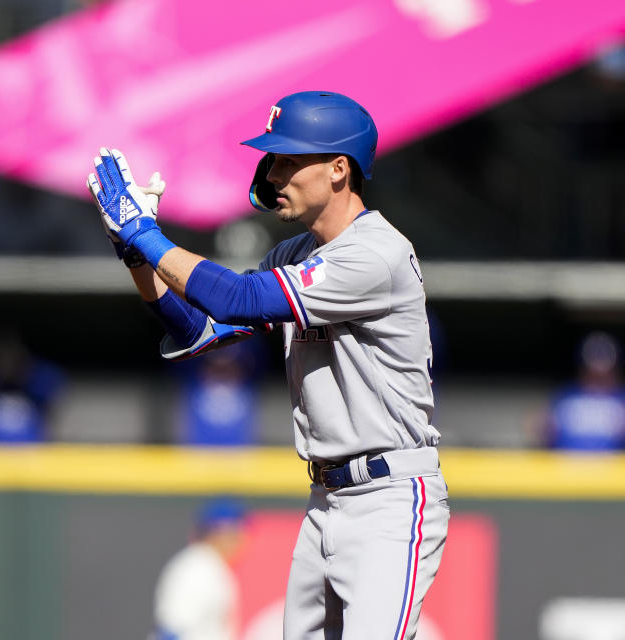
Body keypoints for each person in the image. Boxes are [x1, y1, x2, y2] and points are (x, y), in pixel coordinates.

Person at [88, 91, 449, 639]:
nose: (272, 172)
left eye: (287, 159)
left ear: (337, 169)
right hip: (326, 498)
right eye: (272, 159)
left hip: (390, 498)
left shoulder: (375, 253)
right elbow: (201, 329)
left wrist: (147, 233)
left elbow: (236, 297)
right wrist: (139, 256)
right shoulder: (295, 254)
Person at [152, 498, 246, 640]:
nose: (242, 538)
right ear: (219, 533)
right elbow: (170, 630)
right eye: (236, 531)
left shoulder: (212, 566)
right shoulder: (196, 568)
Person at [539, 331, 625, 450]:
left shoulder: (621, 398)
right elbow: (545, 429)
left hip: (613, 466)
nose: (598, 369)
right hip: (567, 464)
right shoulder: (566, 395)